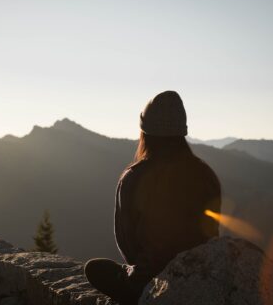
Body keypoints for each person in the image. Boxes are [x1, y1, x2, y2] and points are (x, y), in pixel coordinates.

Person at [84, 91, 221, 305]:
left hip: (149, 281)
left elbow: (127, 243)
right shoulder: (205, 175)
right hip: (201, 274)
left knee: (95, 268)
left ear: (145, 133)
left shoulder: (134, 177)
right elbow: (212, 233)